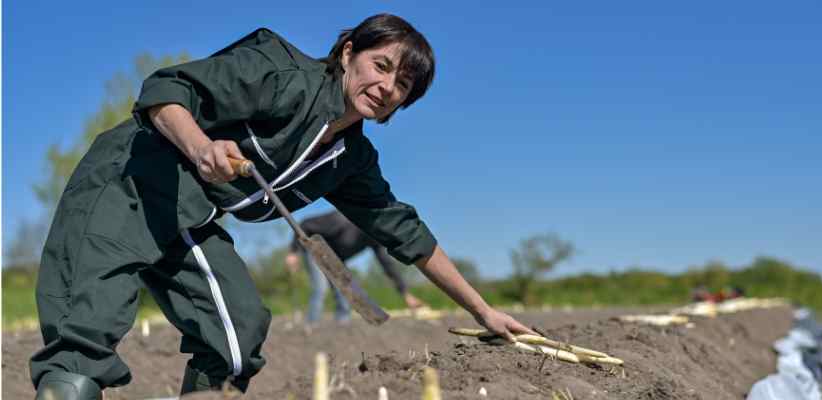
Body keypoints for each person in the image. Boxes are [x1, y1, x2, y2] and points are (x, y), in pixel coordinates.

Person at [30, 13, 534, 400]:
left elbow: (407, 235)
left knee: (237, 335)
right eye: (381, 66)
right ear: (348, 53)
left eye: (402, 85)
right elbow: (167, 89)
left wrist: (485, 311)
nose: (385, 87)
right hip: (129, 180)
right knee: (82, 343)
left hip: (188, 216)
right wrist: (201, 146)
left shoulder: (350, 159)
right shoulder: (280, 71)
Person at [284, 210, 426, 323]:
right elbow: (305, 224)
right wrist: (293, 251)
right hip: (316, 250)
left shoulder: (373, 237)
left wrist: (405, 293)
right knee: (321, 288)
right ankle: (312, 326)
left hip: (336, 258)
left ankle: (343, 327)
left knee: (346, 291)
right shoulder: (341, 220)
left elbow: (387, 266)